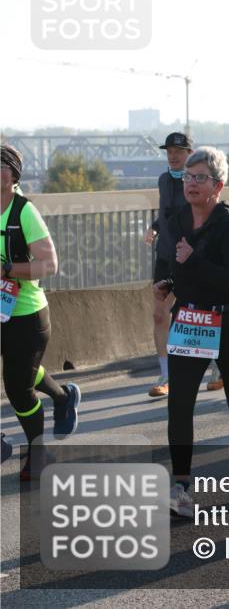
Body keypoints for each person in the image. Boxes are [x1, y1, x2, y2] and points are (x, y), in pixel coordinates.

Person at [154, 147, 229, 517]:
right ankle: (182, 488)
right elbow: (168, 258)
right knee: (179, 404)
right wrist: (165, 280)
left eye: (200, 177)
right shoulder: (175, 219)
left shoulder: (227, 224)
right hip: (190, 321)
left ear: (218, 185)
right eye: (187, 177)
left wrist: (195, 262)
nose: (191, 184)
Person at [2, 144, 82, 479]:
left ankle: (39, 452)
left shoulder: (24, 212)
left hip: (27, 315)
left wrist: (7, 271)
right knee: (22, 372)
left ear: (13, 175)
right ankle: (63, 397)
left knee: (17, 386)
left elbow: (49, 264)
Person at [145, 132, 207, 397]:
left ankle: (216, 364)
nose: (172, 156)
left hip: (189, 255)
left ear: (189, 154)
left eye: (178, 151)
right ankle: (166, 375)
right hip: (165, 255)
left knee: (197, 313)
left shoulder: (196, 180)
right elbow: (166, 212)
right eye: (169, 151)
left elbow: (202, 212)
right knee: (160, 314)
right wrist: (154, 227)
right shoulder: (163, 179)